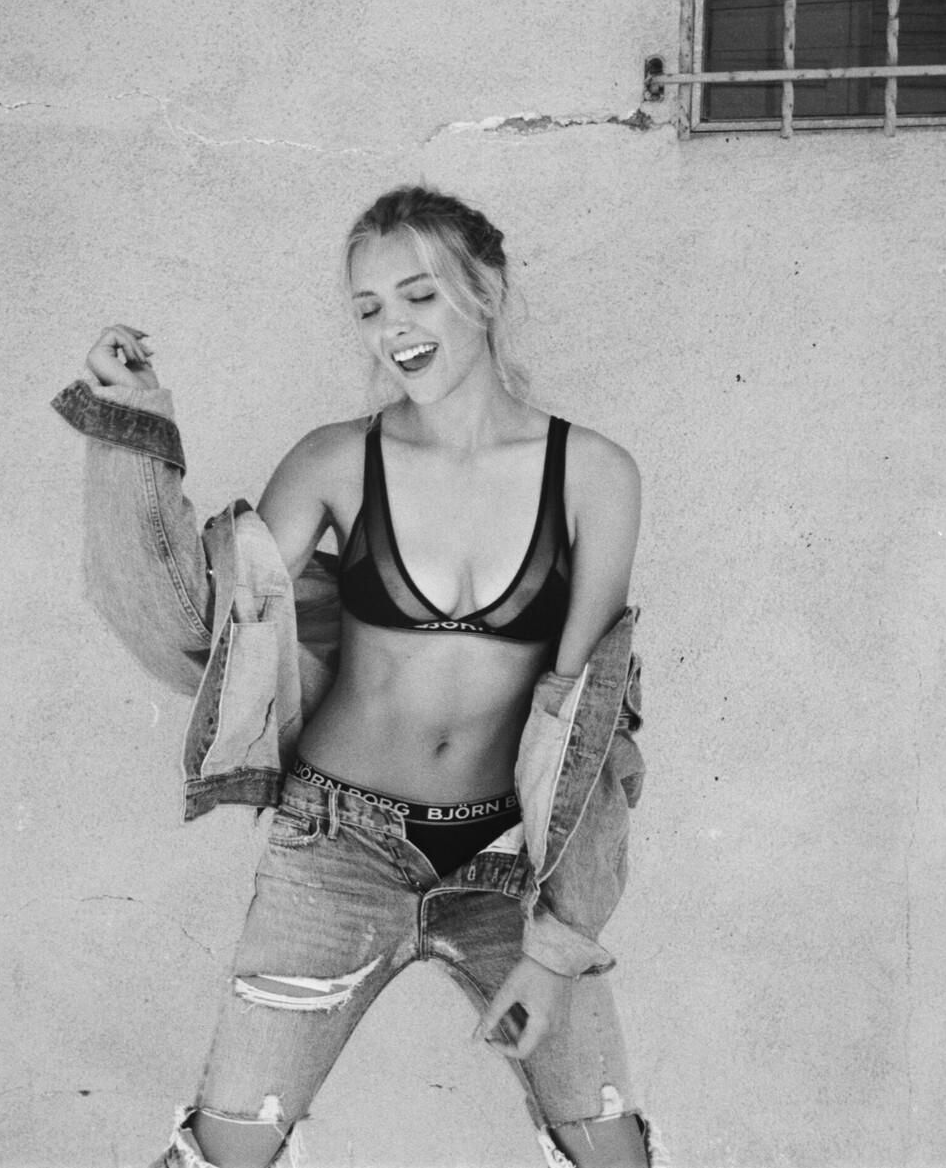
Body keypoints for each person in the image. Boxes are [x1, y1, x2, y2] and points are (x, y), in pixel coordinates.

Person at [53, 186, 660, 1167]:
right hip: (337, 846)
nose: (393, 329)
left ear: (486, 288)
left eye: (418, 294)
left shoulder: (595, 475)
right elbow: (207, 618)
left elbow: (588, 729)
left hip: (506, 864)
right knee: (226, 1150)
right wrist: (130, 420)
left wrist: (554, 953)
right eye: (369, 307)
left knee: (612, 1149)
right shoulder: (337, 460)